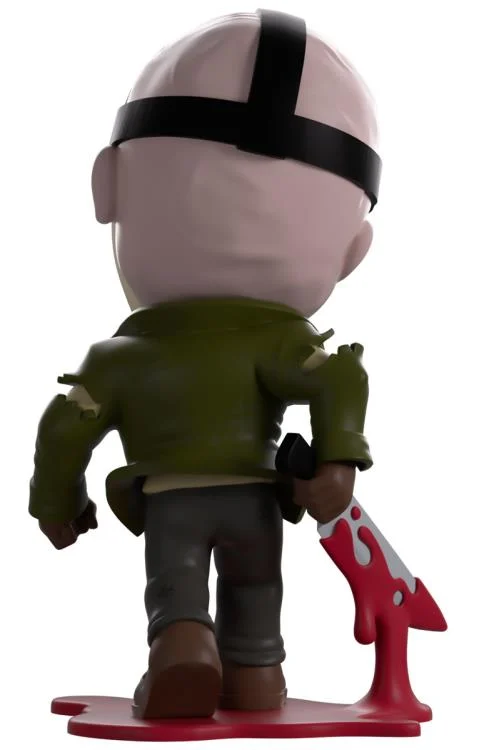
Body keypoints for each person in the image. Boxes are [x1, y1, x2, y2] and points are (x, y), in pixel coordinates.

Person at [29, 10, 380, 719]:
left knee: (177, 586)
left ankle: (183, 645)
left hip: (173, 501)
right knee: (257, 589)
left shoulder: (119, 360)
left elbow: (65, 426)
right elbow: (339, 374)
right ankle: (256, 678)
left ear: (107, 187)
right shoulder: (281, 347)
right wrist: (338, 460)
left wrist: (57, 504)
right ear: (352, 252)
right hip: (255, 499)